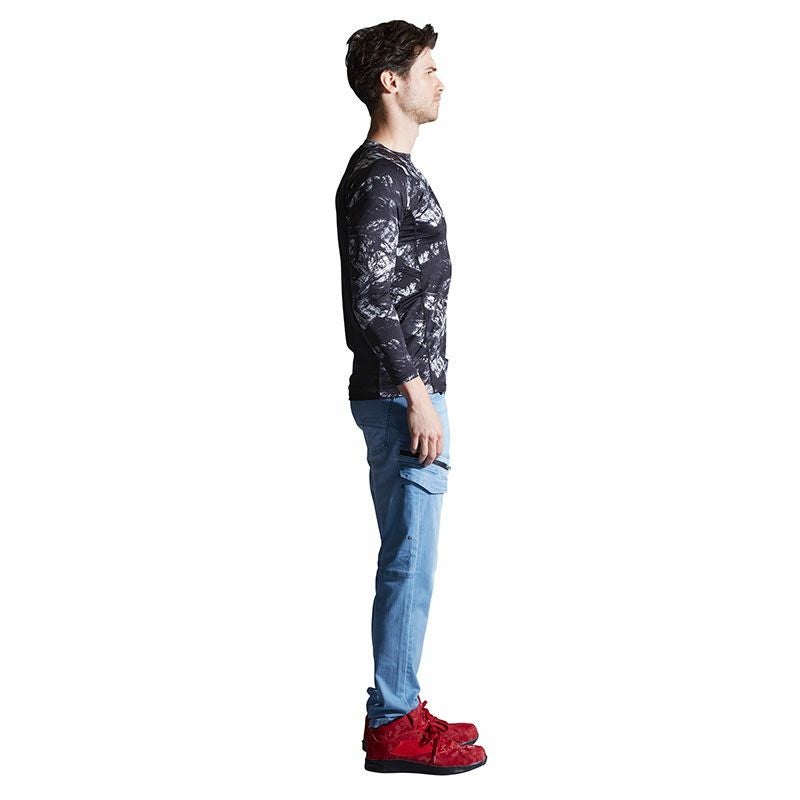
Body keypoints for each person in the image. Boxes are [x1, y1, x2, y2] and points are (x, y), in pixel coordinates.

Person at [334, 20, 487, 775]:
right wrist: (416, 393)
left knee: (412, 558)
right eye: (427, 69)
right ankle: (393, 721)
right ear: (390, 82)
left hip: (407, 392)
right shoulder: (381, 177)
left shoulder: (390, 173)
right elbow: (372, 296)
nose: (440, 81)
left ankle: (400, 703)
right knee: (409, 559)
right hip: (404, 398)